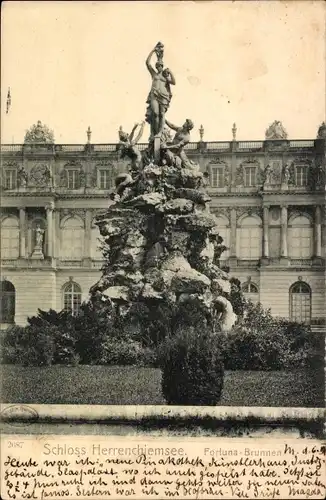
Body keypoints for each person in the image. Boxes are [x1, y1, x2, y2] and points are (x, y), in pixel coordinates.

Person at [145, 44, 176, 139]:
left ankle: (160, 132)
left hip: (164, 96)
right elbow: (147, 63)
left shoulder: (165, 76)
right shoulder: (154, 74)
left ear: (162, 66)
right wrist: (153, 51)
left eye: (160, 66)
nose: (159, 67)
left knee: (162, 114)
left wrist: (170, 72)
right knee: (155, 113)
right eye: (157, 66)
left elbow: (174, 82)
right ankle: (155, 132)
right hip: (154, 95)